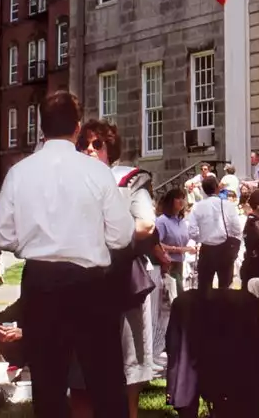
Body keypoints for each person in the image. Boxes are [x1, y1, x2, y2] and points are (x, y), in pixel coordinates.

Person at [0, 92, 135, 418]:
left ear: (41, 127)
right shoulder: (96, 172)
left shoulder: (20, 172)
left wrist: (33, 241)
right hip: (88, 282)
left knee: (48, 383)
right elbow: (122, 234)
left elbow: (2, 234)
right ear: (77, 126)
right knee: (106, 381)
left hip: (41, 280)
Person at [77, 119, 161, 416]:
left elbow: (146, 223)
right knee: (81, 371)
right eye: (84, 144)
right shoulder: (71, 182)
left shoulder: (129, 182)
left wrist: (104, 230)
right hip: (81, 283)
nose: (89, 149)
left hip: (121, 280)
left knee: (127, 361)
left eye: (97, 144)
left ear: (109, 149)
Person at [186, 175, 245, 289]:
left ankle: (207, 307)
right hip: (224, 249)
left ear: (203, 190)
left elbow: (192, 232)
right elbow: (237, 229)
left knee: (204, 288)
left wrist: (202, 238)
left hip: (206, 250)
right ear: (218, 188)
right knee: (225, 288)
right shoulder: (228, 205)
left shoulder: (197, 207)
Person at [155, 189, 192, 295]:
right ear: (171, 201)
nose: (181, 201)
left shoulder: (182, 221)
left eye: (183, 198)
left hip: (180, 262)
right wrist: (176, 249)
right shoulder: (162, 221)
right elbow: (156, 243)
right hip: (167, 264)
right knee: (177, 295)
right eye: (178, 198)